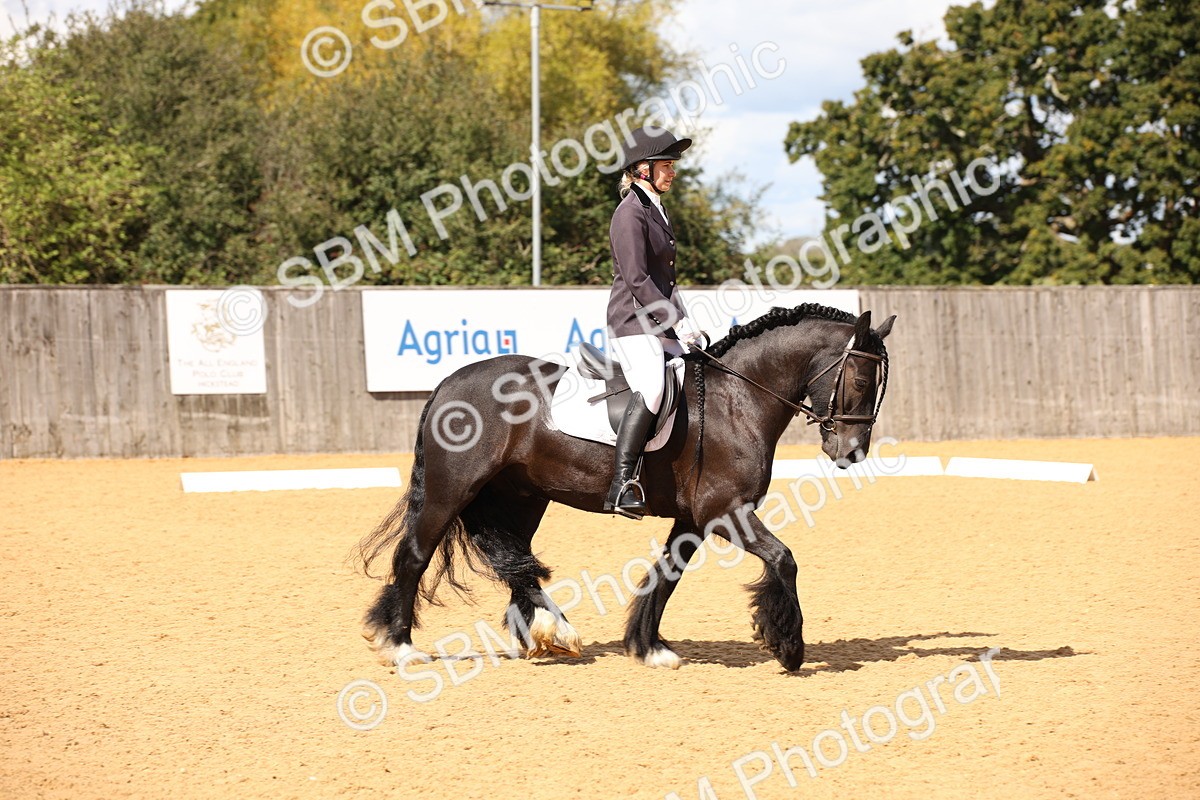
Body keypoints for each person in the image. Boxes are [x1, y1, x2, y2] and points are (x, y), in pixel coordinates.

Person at [603, 126, 703, 519]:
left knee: (697, 373)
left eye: (673, 165)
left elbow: (666, 281)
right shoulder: (629, 213)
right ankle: (622, 482)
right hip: (631, 321)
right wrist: (675, 321)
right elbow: (638, 279)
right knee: (652, 385)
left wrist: (688, 322)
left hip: (658, 322)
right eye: (667, 164)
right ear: (642, 169)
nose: (673, 171)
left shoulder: (657, 211)